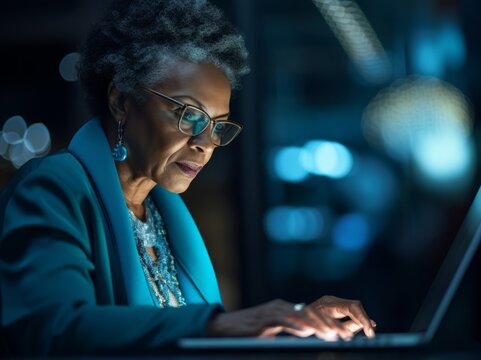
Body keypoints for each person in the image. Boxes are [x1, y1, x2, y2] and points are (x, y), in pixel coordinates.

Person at [0, 0, 376, 355]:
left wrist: (293, 323)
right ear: (120, 101)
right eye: (189, 115)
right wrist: (220, 326)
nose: (205, 144)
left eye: (217, 126)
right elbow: (56, 329)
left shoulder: (161, 211)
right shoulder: (52, 188)